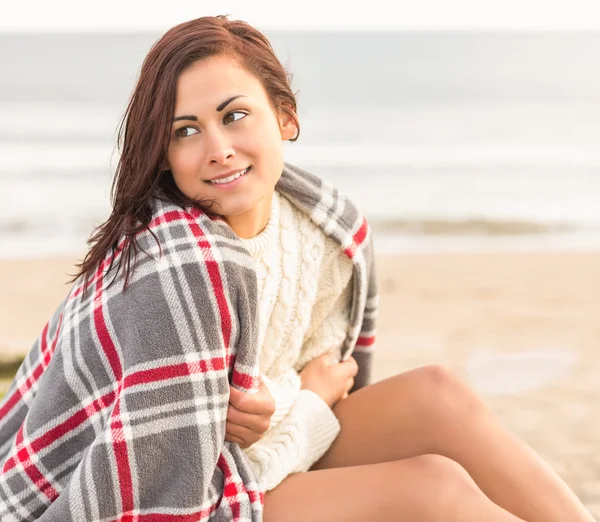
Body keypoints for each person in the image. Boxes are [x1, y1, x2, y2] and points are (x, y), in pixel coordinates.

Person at [0, 15, 595, 522]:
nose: (217, 148)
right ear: (164, 153)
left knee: (437, 392)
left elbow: (324, 384)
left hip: (252, 455)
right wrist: (303, 405)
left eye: (234, 115)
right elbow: (169, 494)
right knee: (431, 488)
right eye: (186, 131)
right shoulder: (180, 268)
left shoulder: (324, 230)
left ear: (286, 117)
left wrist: (283, 402)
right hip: (158, 499)